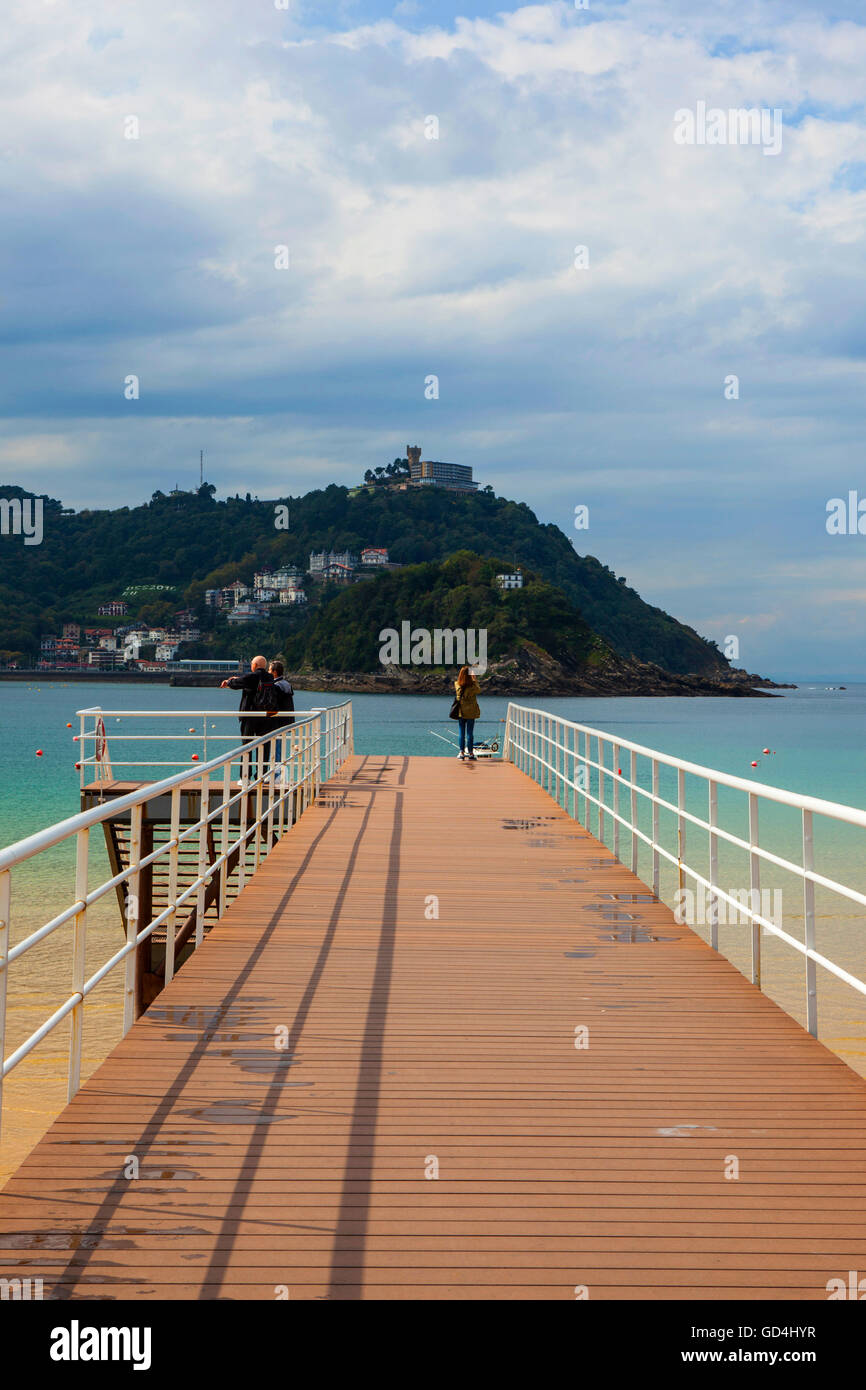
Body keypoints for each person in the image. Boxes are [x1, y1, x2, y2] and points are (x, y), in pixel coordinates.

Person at [220, 656, 276, 771]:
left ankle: (245, 776)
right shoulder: (270, 677)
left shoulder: (252, 676)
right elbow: (247, 682)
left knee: (247, 746)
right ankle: (262, 775)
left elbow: (237, 683)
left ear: (254, 665)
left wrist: (229, 681)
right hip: (265, 716)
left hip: (250, 715)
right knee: (264, 746)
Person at [454, 665, 481, 761]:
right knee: (470, 733)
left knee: (461, 732)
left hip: (461, 711)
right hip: (471, 712)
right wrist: (474, 679)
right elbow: (478, 690)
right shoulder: (473, 685)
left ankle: (461, 752)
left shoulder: (457, 684)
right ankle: (470, 753)